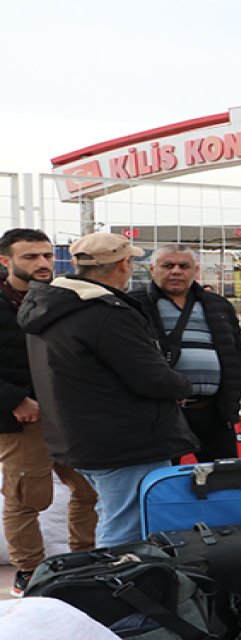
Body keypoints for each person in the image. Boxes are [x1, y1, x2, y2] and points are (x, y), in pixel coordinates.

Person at [19, 232, 197, 547]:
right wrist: (182, 386)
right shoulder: (105, 313)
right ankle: (113, 589)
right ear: (123, 264)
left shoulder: (50, 307)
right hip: (125, 441)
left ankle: (106, 582)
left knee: (111, 514)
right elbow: (149, 376)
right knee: (125, 529)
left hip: (80, 435)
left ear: (75, 263)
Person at [0, 229, 98, 597]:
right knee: (27, 497)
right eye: (30, 257)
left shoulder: (66, 297)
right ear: (5, 261)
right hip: (23, 418)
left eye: (46, 255)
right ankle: (29, 571)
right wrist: (13, 400)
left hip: (72, 415)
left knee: (90, 488)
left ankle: (85, 559)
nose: (42, 263)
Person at [130, 244, 241, 462]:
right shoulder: (134, 304)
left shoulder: (218, 305)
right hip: (160, 413)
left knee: (225, 475)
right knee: (162, 478)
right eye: (168, 265)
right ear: (152, 268)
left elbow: (238, 352)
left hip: (213, 411)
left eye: (184, 266)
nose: (176, 271)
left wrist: (235, 391)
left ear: (196, 270)